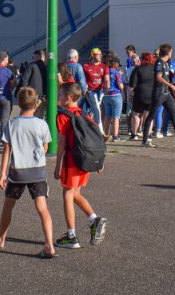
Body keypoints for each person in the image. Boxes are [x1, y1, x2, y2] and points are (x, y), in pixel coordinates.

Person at [0, 86, 55, 258]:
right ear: (36, 104)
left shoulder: (11, 124)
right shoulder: (42, 124)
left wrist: (2, 174)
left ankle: (1, 238)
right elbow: (45, 147)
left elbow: (7, 150)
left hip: (17, 171)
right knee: (42, 208)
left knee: (8, 205)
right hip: (37, 170)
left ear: (19, 102)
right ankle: (49, 244)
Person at [54, 82, 107, 248]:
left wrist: (57, 165)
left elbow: (62, 144)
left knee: (67, 195)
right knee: (75, 193)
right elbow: (95, 137)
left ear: (68, 98)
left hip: (72, 161)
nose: (59, 98)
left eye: (61, 95)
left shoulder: (63, 116)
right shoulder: (84, 114)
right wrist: (99, 161)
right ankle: (93, 219)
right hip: (85, 161)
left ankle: (71, 235)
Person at [142, 44, 175, 147]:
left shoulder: (167, 63)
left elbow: (167, 77)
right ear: (168, 52)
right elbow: (158, 77)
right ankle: (145, 140)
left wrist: (173, 87)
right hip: (159, 93)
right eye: (171, 51)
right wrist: (171, 86)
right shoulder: (159, 63)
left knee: (174, 115)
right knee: (151, 115)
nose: (172, 53)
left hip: (166, 93)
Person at [128, 53, 155, 142]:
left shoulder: (137, 69)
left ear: (143, 59)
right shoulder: (154, 69)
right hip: (151, 95)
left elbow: (132, 85)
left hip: (139, 94)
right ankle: (148, 134)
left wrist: (129, 95)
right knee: (148, 115)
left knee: (136, 114)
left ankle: (134, 134)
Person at [81, 48, 108, 132]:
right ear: (92, 55)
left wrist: (107, 88)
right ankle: (101, 133)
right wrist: (85, 90)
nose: (100, 56)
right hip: (90, 92)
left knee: (93, 112)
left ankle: (90, 130)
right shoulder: (85, 66)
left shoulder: (104, 66)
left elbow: (107, 79)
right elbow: (82, 79)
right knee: (97, 111)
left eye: (100, 54)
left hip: (100, 92)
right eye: (98, 54)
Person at [102, 56, 125, 141]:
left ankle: (106, 134)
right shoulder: (116, 73)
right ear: (116, 64)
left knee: (107, 116)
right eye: (118, 65)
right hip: (115, 95)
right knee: (116, 117)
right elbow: (120, 86)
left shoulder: (105, 71)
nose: (118, 67)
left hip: (106, 95)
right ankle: (115, 136)